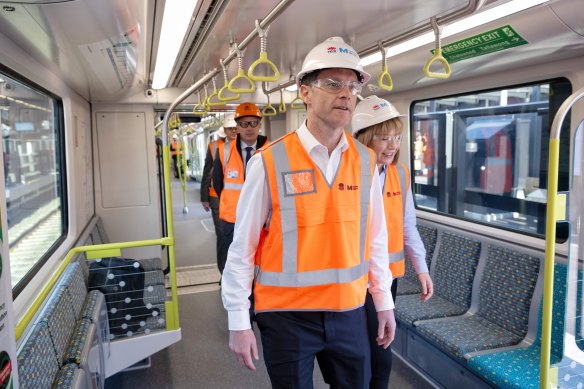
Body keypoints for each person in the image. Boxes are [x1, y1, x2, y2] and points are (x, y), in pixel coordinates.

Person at [222, 37, 396, 389]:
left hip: (349, 310)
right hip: (286, 315)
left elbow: (375, 239)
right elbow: (242, 248)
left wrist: (383, 301)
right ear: (305, 92)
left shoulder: (365, 162)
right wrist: (238, 320)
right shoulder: (269, 162)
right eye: (333, 83)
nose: (346, 94)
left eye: (352, 85)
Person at [352, 95, 434, 389]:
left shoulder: (400, 173)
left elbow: (407, 225)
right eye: (384, 138)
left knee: (381, 352)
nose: (393, 146)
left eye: (397, 137)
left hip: (387, 276)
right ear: (364, 139)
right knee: (357, 355)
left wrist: (421, 268)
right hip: (353, 276)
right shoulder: (347, 174)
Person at [212, 102, 268, 275]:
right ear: (237, 127)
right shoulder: (224, 151)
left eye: (253, 123)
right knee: (232, 256)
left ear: (260, 124)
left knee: (260, 256)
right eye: (244, 124)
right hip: (232, 217)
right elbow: (217, 182)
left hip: (263, 217)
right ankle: (230, 287)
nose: (249, 128)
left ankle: (255, 290)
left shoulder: (272, 149)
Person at [201, 115, 238, 273]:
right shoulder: (214, 146)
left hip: (239, 200)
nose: (234, 131)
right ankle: (224, 272)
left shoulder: (247, 147)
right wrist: (204, 197)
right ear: (225, 130)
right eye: (231, 129)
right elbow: (207, 172)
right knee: (223, 235)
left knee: (239, 236)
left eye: (236, 128)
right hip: (217, 198)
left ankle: (239, 272)